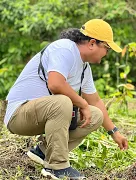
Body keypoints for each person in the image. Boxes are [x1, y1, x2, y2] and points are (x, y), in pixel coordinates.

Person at [4, 19, 129, 179]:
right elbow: (55, 84)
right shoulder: (64, 48)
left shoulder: (84, 68)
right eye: (106, 48)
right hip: (19, 114)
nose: (106, 54)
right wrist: (82, 103)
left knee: (95, 114)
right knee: (64, 102)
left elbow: (96, 101)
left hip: (43, 114)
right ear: (92, 43)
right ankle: (57, 167)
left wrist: (114, 133)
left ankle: (42, 152)